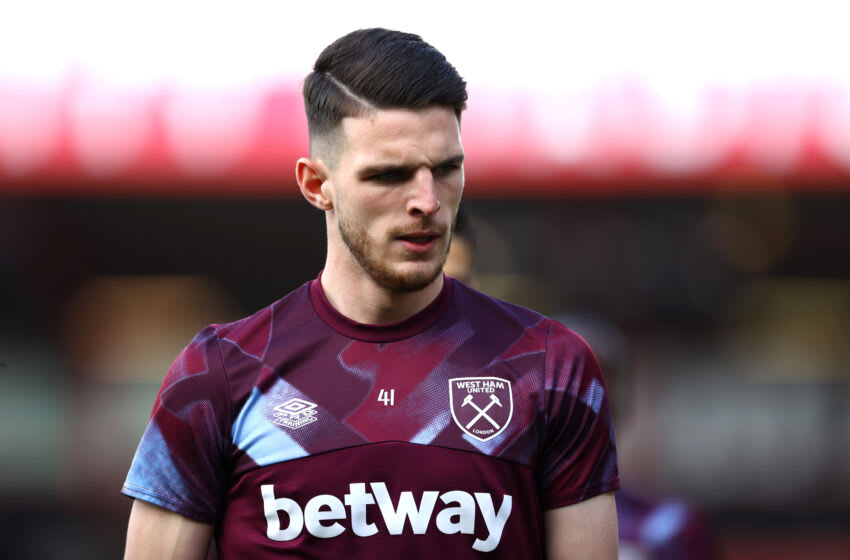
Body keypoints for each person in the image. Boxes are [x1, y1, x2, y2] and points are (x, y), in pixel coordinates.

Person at [122, 28, 620, 559]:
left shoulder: (549, 367)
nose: (427, 201)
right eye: (390, 175)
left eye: (447, 170)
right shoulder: (218, 376)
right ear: (317, 185)